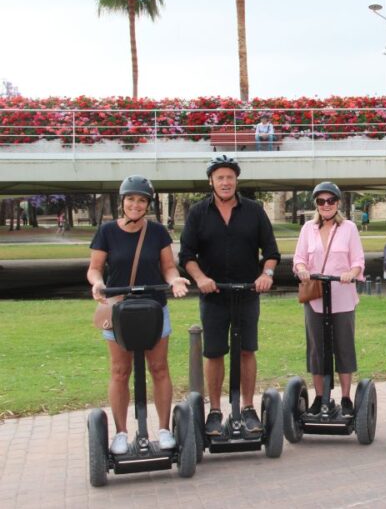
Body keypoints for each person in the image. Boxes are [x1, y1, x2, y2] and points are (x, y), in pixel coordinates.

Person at [86, 175, 190, 455]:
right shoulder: (107, 231)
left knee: (159, 368)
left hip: (154, 308)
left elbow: (168, 266)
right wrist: (97, 283)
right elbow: (95, 268)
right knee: (120, 371)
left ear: (148, 204)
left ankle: (165, 429)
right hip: (118, 308)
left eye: (141, 200)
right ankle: (121, 433)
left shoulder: (157, 232)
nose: (135, 204)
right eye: (130, 199)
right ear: (122, 202)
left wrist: (175, 280)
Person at [179, 154, 280, 437]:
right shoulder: (199, 212)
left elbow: (271, 252)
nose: (225, 182)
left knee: (247, 349)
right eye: (220, 177)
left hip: (247, 292)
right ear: (211, 181)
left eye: (230, 177)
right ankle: (214, 410)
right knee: (214, 352)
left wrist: (266, 275)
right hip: (214, 295)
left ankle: (247, 408)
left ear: (236, 181)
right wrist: (200, 278)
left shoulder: (254, 210)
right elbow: (186, 254)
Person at [293, 181, 365, 416]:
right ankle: (320, 396)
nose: (326, 205)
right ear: (316, 204)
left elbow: (358, 262)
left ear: (338, 203)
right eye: (321, 201)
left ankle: (345, 398)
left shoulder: (349, 228)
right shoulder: (307, 229)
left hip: (342, 297)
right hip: (315, 298)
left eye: (331, 201)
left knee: (343, 347)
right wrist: (302, 268)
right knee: (316, 349)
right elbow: (299, 258)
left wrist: (350, 274)